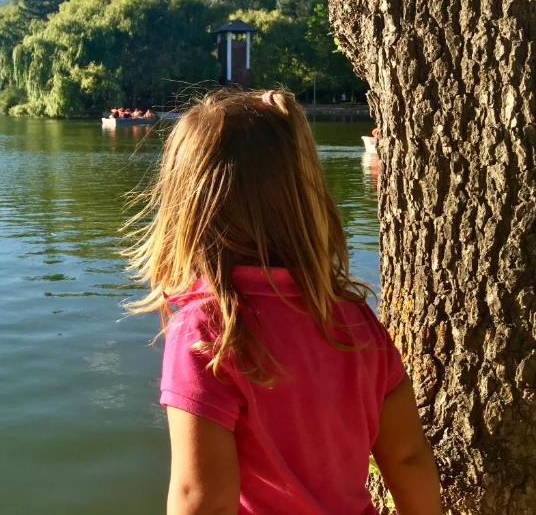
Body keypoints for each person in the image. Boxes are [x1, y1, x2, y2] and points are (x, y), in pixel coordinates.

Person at [125, 88, 440, 515]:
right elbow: (408, 458)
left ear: (187, 211)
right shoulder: (354, 318)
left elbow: (203, 500)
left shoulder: (208, 331)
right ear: (303, 201)